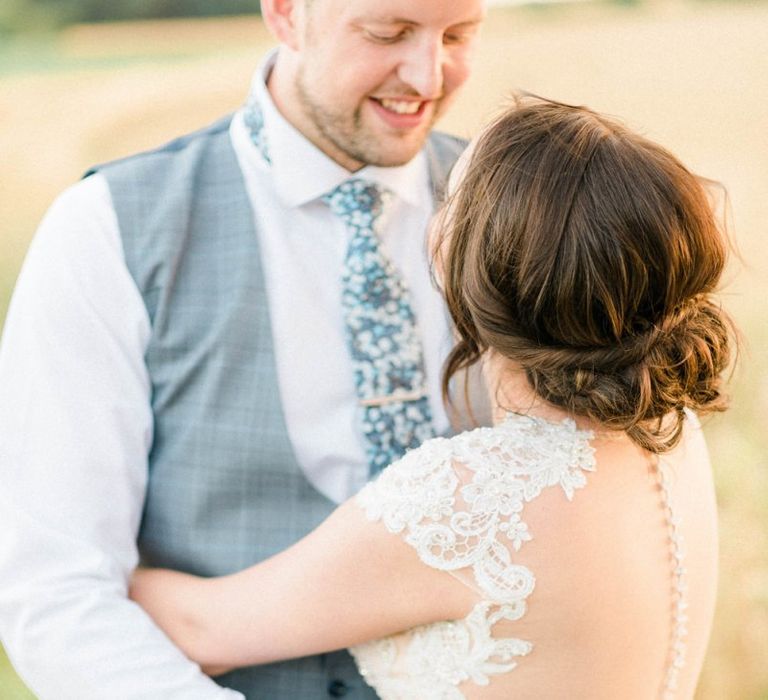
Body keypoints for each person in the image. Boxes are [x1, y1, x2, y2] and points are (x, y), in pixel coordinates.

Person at [129, 97, 734, 699]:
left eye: (451, 198)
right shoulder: (669, 430)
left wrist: (91, 570)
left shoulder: (465, 501)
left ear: (458, 258)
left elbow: (202, 627)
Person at [0, 0, 487, 697]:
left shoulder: (514, 215)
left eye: (459, 35)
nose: (428, 75)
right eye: (389, 33)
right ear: (287, 14)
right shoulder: (107, 230)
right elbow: (54, 592)